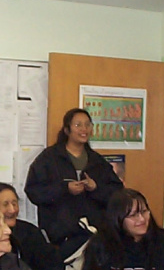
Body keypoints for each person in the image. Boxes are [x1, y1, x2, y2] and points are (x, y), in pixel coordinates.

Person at [25, 108, 123, 261]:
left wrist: (95, 188)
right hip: (60, 235)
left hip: (93, 234)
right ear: (67, 130)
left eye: (87, 125)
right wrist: (65, 189)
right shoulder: (49, 158)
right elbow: (34, 191)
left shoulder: (97, 161)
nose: (84, 129)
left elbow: (117, 192)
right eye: (78, 125)